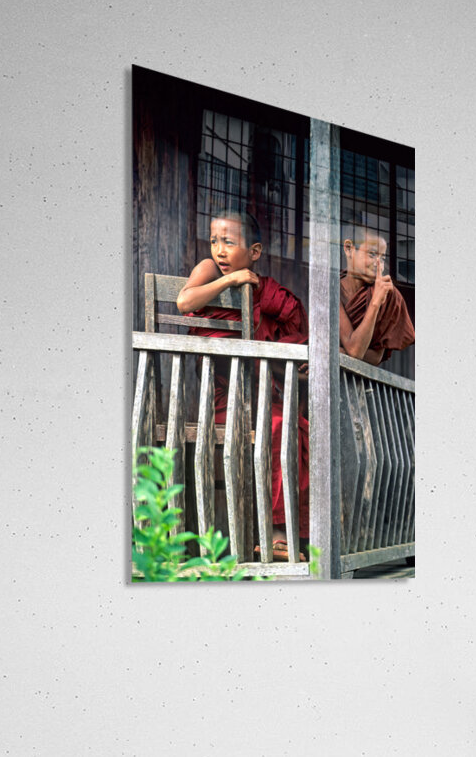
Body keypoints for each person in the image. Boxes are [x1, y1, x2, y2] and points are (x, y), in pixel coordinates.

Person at [177, 209, 309, 562]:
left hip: (258, 396)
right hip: (222, 398)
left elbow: (283, 336)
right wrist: (229, 281)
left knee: (292, 426)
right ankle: (272, 534)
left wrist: (295, 369)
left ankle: (282, 534)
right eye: (215, 241)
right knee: (278, 424)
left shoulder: (264, 289)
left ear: (254, 251)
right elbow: (184, 301)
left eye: (229, 243)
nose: (219, 250)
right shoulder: (208, 269)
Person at [339, 227, 415, 365]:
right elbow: (355, 350)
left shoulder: (387, 293)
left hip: (362, 383)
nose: (379, 264)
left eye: (383, 257)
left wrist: (375, 302)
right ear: (349, 249)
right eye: (372, 254)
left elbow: (373, 356)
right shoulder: (331, 288)